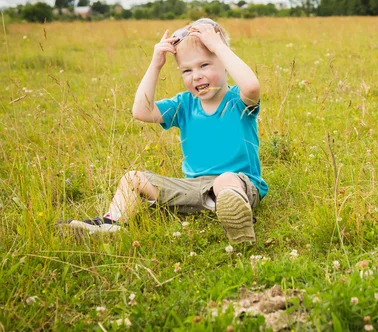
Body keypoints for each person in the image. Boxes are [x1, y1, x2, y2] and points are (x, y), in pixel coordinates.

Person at [61, 18, 268, 244]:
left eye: (204, 65)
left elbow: (252, 86)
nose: (196, 76)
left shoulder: (237, 101)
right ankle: (113, 224)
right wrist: (155, 65)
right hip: (193, 189)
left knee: (225, 180)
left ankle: (239, 228)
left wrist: (218, 45)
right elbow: (141, 110)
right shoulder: (184, 104)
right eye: (186, 71)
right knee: (132, 179)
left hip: (238, 185)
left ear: (225, 61)